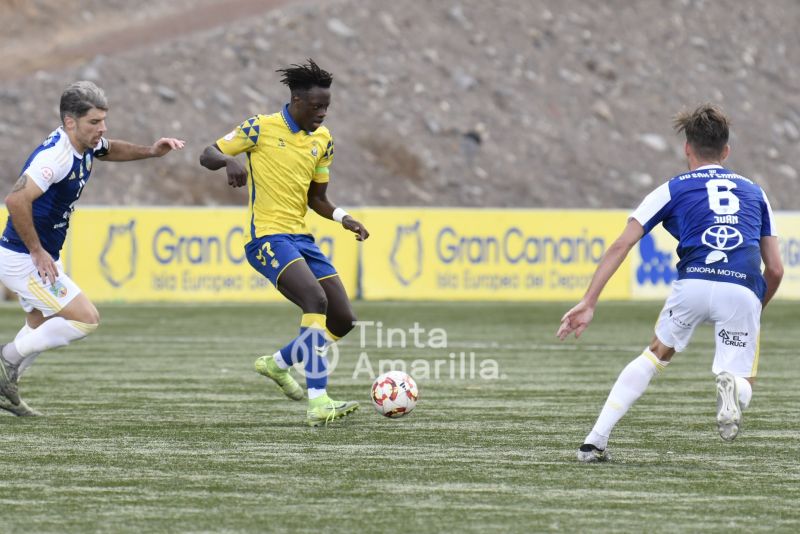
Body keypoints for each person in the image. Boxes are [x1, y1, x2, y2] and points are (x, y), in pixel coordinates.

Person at [556, 104, 784, 462]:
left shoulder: (671, 188)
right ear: (726, 151)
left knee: (654, 355)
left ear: (686, 149)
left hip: (692, 283)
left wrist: (589, 301)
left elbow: (623, 243)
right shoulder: (755, 192)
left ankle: (594, 440)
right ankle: (731, 386)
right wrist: (755, 307)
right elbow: (776, 270)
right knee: (742, 378)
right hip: (741, 285)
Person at [199, 59, 369, 427]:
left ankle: (276, 364)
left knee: (343, 319)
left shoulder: (323, 141)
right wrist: (229, 162)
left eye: (327, 106)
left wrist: (344, 217)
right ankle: (319, 401)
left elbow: (317, 199)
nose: (322, 113)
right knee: (315, 301)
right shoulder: (260, 127)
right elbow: (207, 152)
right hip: (266, 237)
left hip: (301, 238)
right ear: (295, 100)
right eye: (316, 106)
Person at [0, 80, 185, 416]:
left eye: (103, 120)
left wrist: (151, 151)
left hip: (35, 256)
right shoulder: (55, 157)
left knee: (41, 324)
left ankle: (5, 387)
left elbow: (110, 148)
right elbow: (15, 200)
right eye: (94, 122)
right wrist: (38, 251)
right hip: (22, 258)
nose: (102, 129)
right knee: (85, 319)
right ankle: (6, 359)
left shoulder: (86, 143)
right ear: (70, 122)